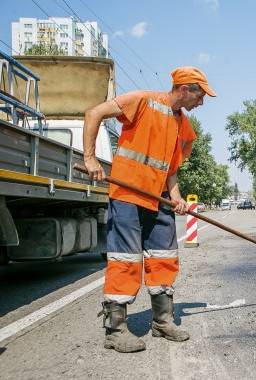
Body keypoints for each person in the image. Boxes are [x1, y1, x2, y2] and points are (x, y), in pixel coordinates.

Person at [83, 66, 216, 353]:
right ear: (184, 89)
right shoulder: (142, 100)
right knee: (125, 260)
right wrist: (91, 159)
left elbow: (171, 167)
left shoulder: (182, 124)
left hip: (158, 199)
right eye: (200, 95)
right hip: (128, 195)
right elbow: (93, 113)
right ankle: (115, 330)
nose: (201, 102)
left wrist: (177, 196)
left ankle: (162, 322)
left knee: (164, 258)